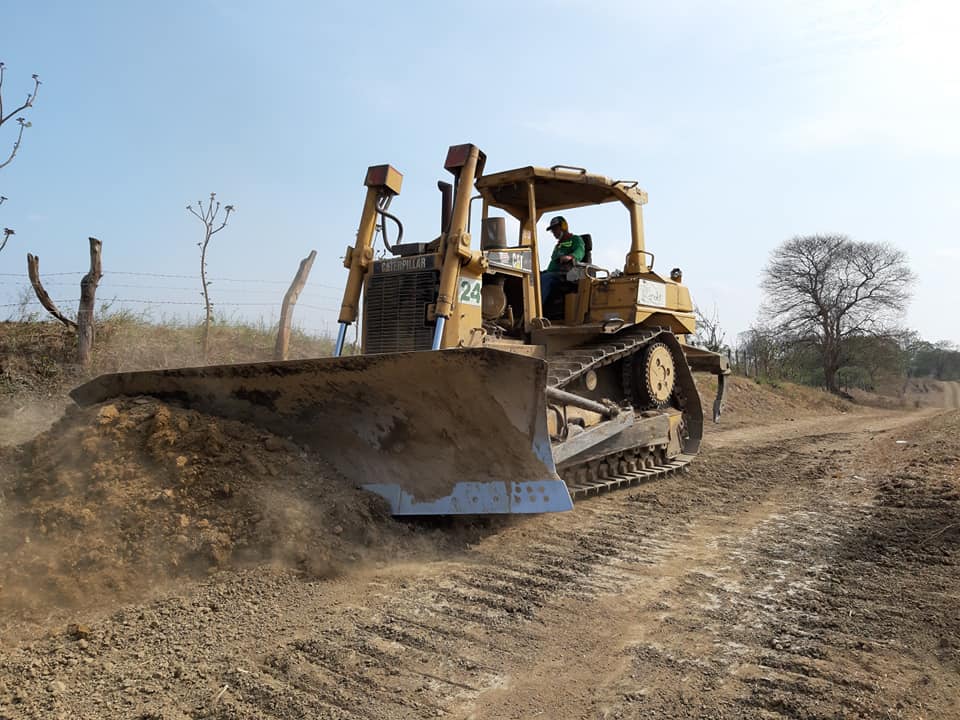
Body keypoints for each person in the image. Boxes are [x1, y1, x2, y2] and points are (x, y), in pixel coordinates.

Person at [540, 216, 585, 308]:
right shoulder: (559, 245)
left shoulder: (575, 239)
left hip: (566, 274)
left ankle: (537, 308)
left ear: (564, 227)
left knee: (545, 278)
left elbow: (579, 251)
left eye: (555, 229)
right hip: (553, 273)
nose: (553, 233)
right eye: (552, 231)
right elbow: (553, 263)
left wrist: (570, 257)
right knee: (534, 278)